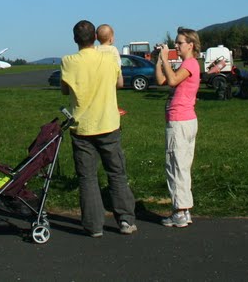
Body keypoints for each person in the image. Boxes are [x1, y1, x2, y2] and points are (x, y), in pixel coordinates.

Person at [60, 20, 138, 237]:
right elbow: (119, 83)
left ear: (75, 39)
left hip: (82, 128)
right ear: (94, 37)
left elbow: (65, 91)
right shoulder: (108, 57)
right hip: (109, 124)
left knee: (87, 178)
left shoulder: (68, 61)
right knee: (116, 173)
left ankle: (94, 226)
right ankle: (126, 220)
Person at [154, 27, 201, 228]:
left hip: (180, 122)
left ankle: (180, 212)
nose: (176, 45)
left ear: (190, 45)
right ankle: (184, 209)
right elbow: (161, 80)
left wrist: (165, 58)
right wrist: (159, 59)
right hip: (185, 120)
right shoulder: (187, 64)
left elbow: (172, 80)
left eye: (180, 42)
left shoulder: (190, 63)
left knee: (176, 166)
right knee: (181, 165)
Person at [96, 23, 126, 116]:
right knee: (111, 95)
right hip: (110, 76)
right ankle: (113, 108)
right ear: (111, 38)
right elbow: (118, 64)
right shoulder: (113, 50)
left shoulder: (95, 48)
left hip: (98, 77)